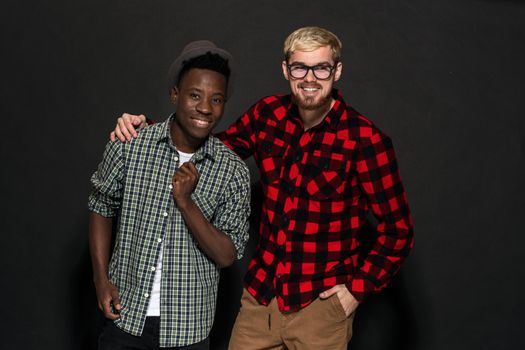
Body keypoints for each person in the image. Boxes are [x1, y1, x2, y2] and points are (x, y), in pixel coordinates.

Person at [111, 26, 414, 350]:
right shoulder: (267, 115)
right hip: (261, 297)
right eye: (300, 67)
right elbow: (210, 148)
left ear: (336, 71)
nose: (309, 78)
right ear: (286, 70)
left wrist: (356, 291)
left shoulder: (366, 141)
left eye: (321, 68)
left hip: (321, 307)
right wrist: (148, 130)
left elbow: (399, 231)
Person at [88, 40, 251, 350]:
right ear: (175, 94)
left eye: (217, 99)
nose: (205, 108)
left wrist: (186, 202)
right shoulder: (130, 144)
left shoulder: (232, 171)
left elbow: (227, 254)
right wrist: (100, 279)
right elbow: (100, 204)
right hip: (125, 316)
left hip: (187, 328)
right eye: (194, 95)